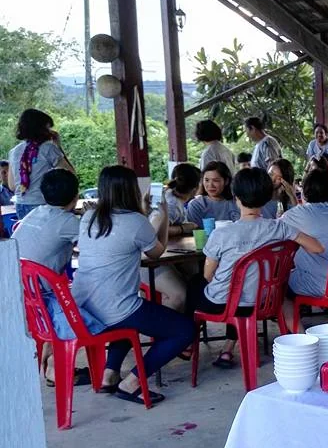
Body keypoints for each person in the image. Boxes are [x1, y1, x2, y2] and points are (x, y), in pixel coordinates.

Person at [71, 166, 195, 404]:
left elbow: (124, 233)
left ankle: (110, 375)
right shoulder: (135, 221)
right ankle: (133, 382)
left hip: (83, 307)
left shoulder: (89, 216)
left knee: (133, 316)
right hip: (117, 310)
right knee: (183, 330)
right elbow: (157, 252)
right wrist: (164, 214)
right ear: (131, 189)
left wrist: (145, 212)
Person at [185, 167, 324, 368]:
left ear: (236, 196)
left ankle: (189, 341)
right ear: (267, 197)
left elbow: (208, 275)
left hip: (226, 304)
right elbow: (317, 248)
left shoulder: (222, 234)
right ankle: (227, 347)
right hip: (265, 300)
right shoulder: (280, 227)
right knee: (244, 288)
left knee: (196, 283)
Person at [14, 169, 107, 385]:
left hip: (25, 295)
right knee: (96, 306)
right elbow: (97, 246)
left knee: (72, 295)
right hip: (45, 296)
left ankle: (50, 361)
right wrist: (91, 217)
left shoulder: (36, 213)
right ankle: (57, 368)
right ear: (75, 196)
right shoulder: (68, 222)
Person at [281, 168, 328, 327]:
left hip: (324, 287)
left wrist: (291, 196)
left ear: (306, 190)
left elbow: (276, 227)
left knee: (279, 288)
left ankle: (300, 337)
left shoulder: (300, 213)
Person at [140, 163, 203, 312]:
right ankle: (170, 329)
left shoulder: (167, 194)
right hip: (149, 259)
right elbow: (158, 229)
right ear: (195, 189)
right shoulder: (173, 205)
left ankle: (189, 325)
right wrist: (183, 228)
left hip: (161, 254)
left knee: (196, 276)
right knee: (182, 292)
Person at [6, 109, 75, 219]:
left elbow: (12, 186)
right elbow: (70, 175)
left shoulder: (14, 152)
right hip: (42, 205)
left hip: (20, 205)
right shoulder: (48, 148)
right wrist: (58, 146)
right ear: (41, 128)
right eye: (48, 128)